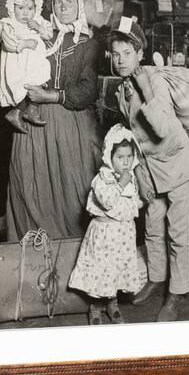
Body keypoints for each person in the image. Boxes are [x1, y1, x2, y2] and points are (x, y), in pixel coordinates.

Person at [107, 17, 189, 322]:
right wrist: (137, 173)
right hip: (149, 169)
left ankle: (177, 292)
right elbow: (131, 136)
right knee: (152, 227)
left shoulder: (154, 80)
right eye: (116, 54)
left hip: (175, 164)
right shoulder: (121, 88)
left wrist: (145, 86)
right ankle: (157, 278)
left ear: (140, 54)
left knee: (178, 232)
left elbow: (160, 127)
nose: (121, 61)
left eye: (127, 53)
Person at [5, 0, 102, 243]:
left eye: (69, 2)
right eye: (58, 2)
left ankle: (75, 253)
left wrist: (51, 95)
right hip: (33, 125)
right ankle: (31, 254)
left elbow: (88, 90)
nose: (62, 7)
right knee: (30, 186)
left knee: (72, 190)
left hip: (70, 123)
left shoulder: (88, 44)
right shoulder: (39, 36)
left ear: (79, 6)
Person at [68, 124, 143, 325]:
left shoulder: (131, 177)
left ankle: (113, 303)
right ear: (109, 157)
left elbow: (131, 203)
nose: (125, 162)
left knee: (116, 269)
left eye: (129, 157)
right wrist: (121, 183)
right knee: (101, 270)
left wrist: (141, 200)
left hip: (123, 234)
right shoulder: (102, 179)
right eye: (120, 158)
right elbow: (108, 201)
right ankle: (96, 306)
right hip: (104, 234)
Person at [0, 0, 54, 133]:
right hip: (18, 63)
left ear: (36, 8)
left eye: (30, 8)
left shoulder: (39, 21)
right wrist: (25, 44)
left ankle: (31, 110)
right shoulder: (9, 24)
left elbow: (49, 34)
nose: (25, 13)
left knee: (39, 80)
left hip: (36, 62)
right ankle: (15, 111)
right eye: (20, 8)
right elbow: (8, 43)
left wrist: (39, 27)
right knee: (22, 86)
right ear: (12, 7)